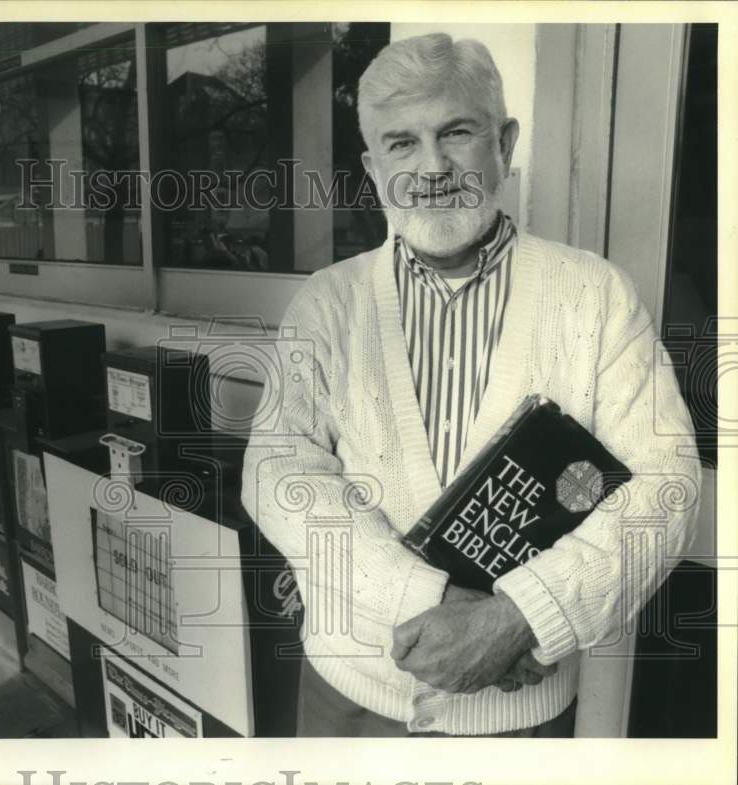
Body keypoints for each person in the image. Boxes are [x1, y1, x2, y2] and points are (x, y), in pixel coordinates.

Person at [240, 33, 701, 737]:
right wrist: (432, 601)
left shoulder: (595, 295)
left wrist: (520, 617)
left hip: (519, 719)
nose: (432, 168)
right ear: (372, 166)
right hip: (351, 697)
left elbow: (666, 485)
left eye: (456, 132)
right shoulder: (329, 303)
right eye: (401, 143)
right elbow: (277, 474)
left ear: (505, 144)